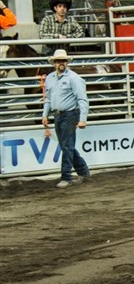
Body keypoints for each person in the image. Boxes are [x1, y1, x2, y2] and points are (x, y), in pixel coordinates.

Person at [42, 49, 90, 188]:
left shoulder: (74, 78)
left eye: (63, 61)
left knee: (67, 146)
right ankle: (83, 171)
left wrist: (83, 119)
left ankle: (66, 177)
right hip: (58, 115)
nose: (61, 63)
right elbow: (48, 99)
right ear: (54, 63)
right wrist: (45, 114)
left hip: (70, 114)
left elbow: (82, 99)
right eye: (58, 61)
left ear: (67, 62)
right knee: (66, 146)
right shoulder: (50, 78)